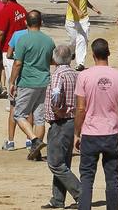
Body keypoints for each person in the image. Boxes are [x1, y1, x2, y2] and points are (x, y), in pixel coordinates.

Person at [74, 38, 118, 210]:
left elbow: (80, 109)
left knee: (86, 179)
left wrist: (77, 133)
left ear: (93, 55)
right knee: (113, 178)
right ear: (108, 53)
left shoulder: (84, 76)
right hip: (112, 132)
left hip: (91, 133)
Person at [9, 9, 56, 161]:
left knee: (19, 114)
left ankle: (35, 140)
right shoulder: (49, 40)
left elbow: (17, 63)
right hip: (44, 82)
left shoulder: (23, 40)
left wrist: (12, 82)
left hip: (27, 81)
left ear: (25, 22)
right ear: (41, 22)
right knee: (39, 117)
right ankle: (37, 153)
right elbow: (52, 60)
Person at [42, 42, 81, 210]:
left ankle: (81, 194)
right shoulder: (74, 74)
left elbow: (56, 95)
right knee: (63, 162)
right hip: (72, 121)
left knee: (55, 163)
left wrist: (57, 111)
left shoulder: (58, 74)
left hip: (61, 122)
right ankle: (57, 199)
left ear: (55, 58)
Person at [65, 0, 102, 72]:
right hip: (71, 19)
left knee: (82, 39)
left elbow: (84, 0)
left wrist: (93, 8)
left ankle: (80, 63)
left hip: (83, 19)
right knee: (73, 40)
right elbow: (70, 0)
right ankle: (72, 52)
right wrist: (77, 10)